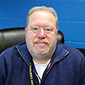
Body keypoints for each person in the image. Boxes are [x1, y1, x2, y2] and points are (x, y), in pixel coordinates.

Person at [0, 6, 85, 85]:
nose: (41, 35)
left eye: (48, 29)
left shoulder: (77, 60)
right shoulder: (6, 60)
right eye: (35, 28)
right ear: (26, 33)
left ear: (56, 33)